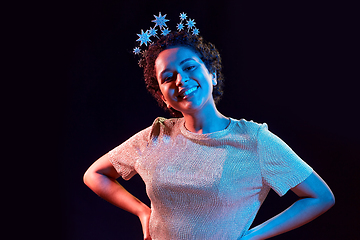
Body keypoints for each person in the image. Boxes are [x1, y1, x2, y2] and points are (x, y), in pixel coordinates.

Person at [83, 20, 334, 240]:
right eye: (168, 77)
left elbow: (320, 197)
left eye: (189, 67)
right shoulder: (155, 136)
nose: (180, 79)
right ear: (164, 98)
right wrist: (142, 211)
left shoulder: (253, 140)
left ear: (212, 74)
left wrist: (251, 238)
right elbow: (94, 174)